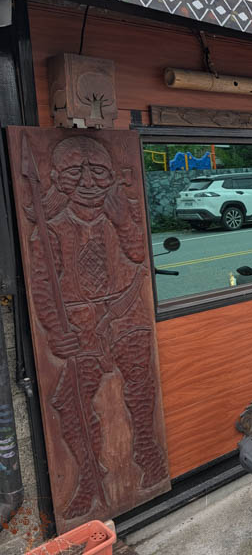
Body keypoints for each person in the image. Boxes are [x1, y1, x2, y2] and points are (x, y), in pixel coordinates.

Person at [27, 136, 167, 520]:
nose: (88, 181)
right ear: (56, 177)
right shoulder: (50, 229)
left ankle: (148, 455)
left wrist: (124, 220)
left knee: (141, 389)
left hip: (125, 318)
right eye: (76, 171)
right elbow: (42, 286)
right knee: (67, 403)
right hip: (81, 329)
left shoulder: (124, 216)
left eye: (99, 172)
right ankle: (90, 476)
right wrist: (57, 332)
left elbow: (138, 255)